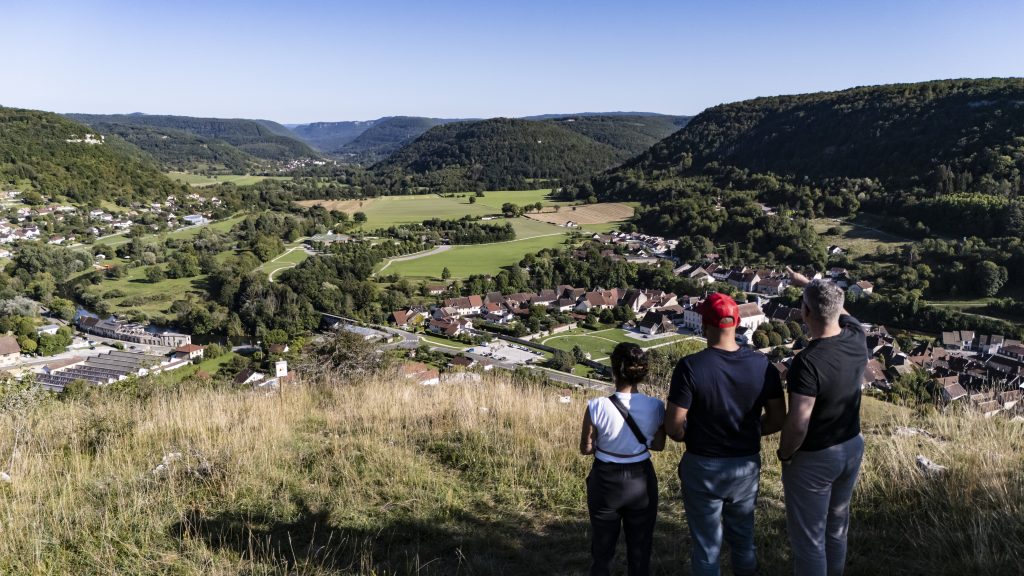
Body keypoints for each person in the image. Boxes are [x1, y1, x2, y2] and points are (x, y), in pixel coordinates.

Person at [665, 292, 786, 576]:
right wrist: (751, 431)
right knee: (743, 541)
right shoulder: (762, 366)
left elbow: (673, 427)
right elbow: (779, 418)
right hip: (744, 464)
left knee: (707, 547)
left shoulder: (690, 367)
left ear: (705, 326)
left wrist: (690, 436)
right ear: (738, 323)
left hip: (703, 464)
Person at [777, 268, 867, 576]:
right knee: (836, 529)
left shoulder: (807, 362)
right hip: (851, 446)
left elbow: (798, 423)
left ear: (804, 313)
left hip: (816, 457)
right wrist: (811, 285)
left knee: (810, 541)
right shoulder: (857, 337)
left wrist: (786, 454)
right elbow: (838, 308)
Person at [580, 342, 666, 576]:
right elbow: (658, 445)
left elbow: (586, 449)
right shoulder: (657, 406)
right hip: (640, 478)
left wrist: (602, 444)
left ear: (614, 370)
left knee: (602, 549)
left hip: (605, 479)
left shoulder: (596, 406)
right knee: (640, 549)